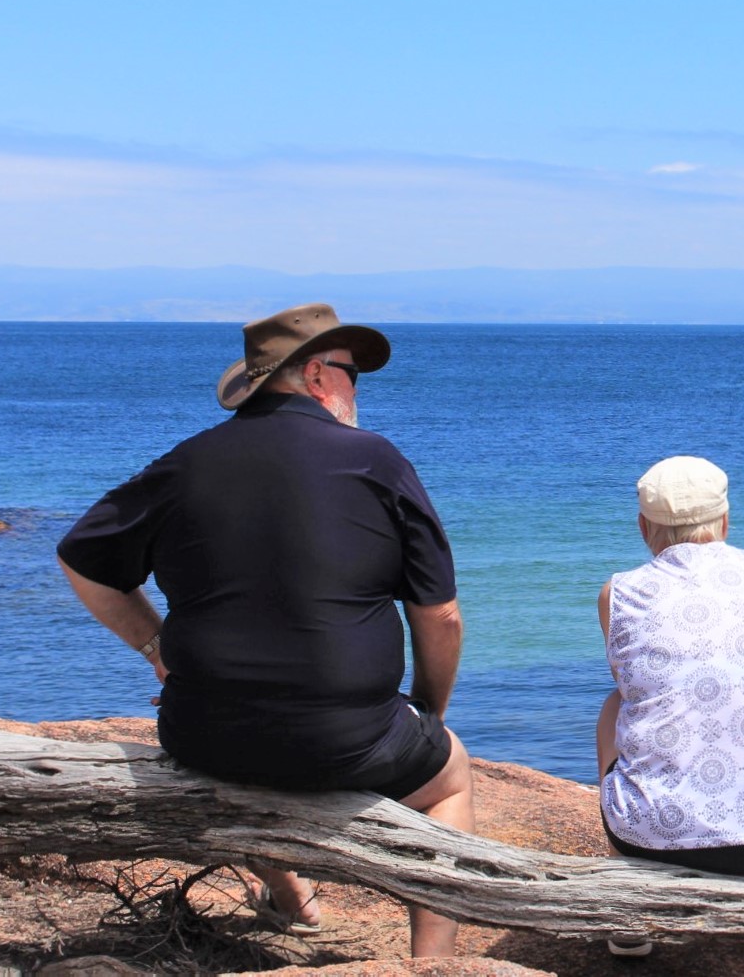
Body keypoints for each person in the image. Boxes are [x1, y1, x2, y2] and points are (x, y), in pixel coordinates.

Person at [56, 303, 474, 957]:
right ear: (315, 375)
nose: (355, 391)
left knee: (248, 752)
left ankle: (292, 898)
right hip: (348, 741)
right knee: (450, 775)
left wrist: (155, 646)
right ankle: (433, 963)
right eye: (352, 376)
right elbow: (440, 615)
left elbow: (81, 560)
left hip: (203, 735)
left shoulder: (185, 462)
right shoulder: (375, 462)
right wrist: (429, 712)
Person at [596, 456, 744, 977]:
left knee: (614, 709)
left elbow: (637, 692)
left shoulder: (619, 593)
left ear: (643, 526)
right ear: (724, 522)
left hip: (652, 841)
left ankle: (631, 921)